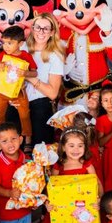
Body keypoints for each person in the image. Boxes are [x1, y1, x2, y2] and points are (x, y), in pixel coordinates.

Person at [47, 127, 103, 223]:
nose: (76, 149)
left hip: (84, 207)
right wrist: (48, 204)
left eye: (80, 145)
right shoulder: (59, 165)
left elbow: (97, 183)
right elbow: (52, 187)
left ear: (85, 147)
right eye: (71, 145)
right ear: (63, 147)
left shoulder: (87, 164)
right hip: (65, 208)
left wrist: (99, 200)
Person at [23, 12, 64, 145]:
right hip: (18, 104)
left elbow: (52, 93)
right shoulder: (22, 48)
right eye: (38, 27)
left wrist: (29, 76)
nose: (41, 32)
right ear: (32, 29)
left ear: (52, 32)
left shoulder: (55, 56)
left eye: (46, 28)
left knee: (40, 150)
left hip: (40, 107)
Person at [0, 26, 36, 148]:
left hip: (19, 91)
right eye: (4, 43)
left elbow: (35, 73)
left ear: (20, 43)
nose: (6, 46)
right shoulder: (2, 55)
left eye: (10, 43)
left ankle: (27, 139)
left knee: (24, 115)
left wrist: (25, 73)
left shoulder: (25, 56)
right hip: (2, 91)